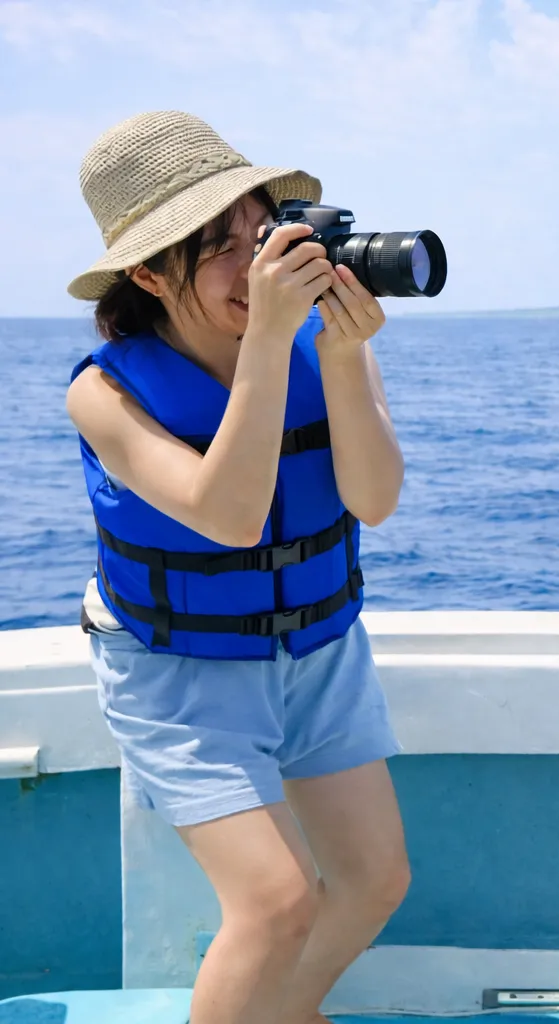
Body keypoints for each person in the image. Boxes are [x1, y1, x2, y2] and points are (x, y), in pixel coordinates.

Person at [64, 111, 409, 1024]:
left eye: (259, 232)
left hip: (319, 651)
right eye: (216, 247)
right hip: (179, 671)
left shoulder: (324, 342)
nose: (252, 265)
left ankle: (282, 1014)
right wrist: (269, 345)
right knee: (276, 902)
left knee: (376, 879)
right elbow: (229, 519)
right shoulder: (104, 393)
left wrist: (343, 354)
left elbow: (374, 499)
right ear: (149, 274)